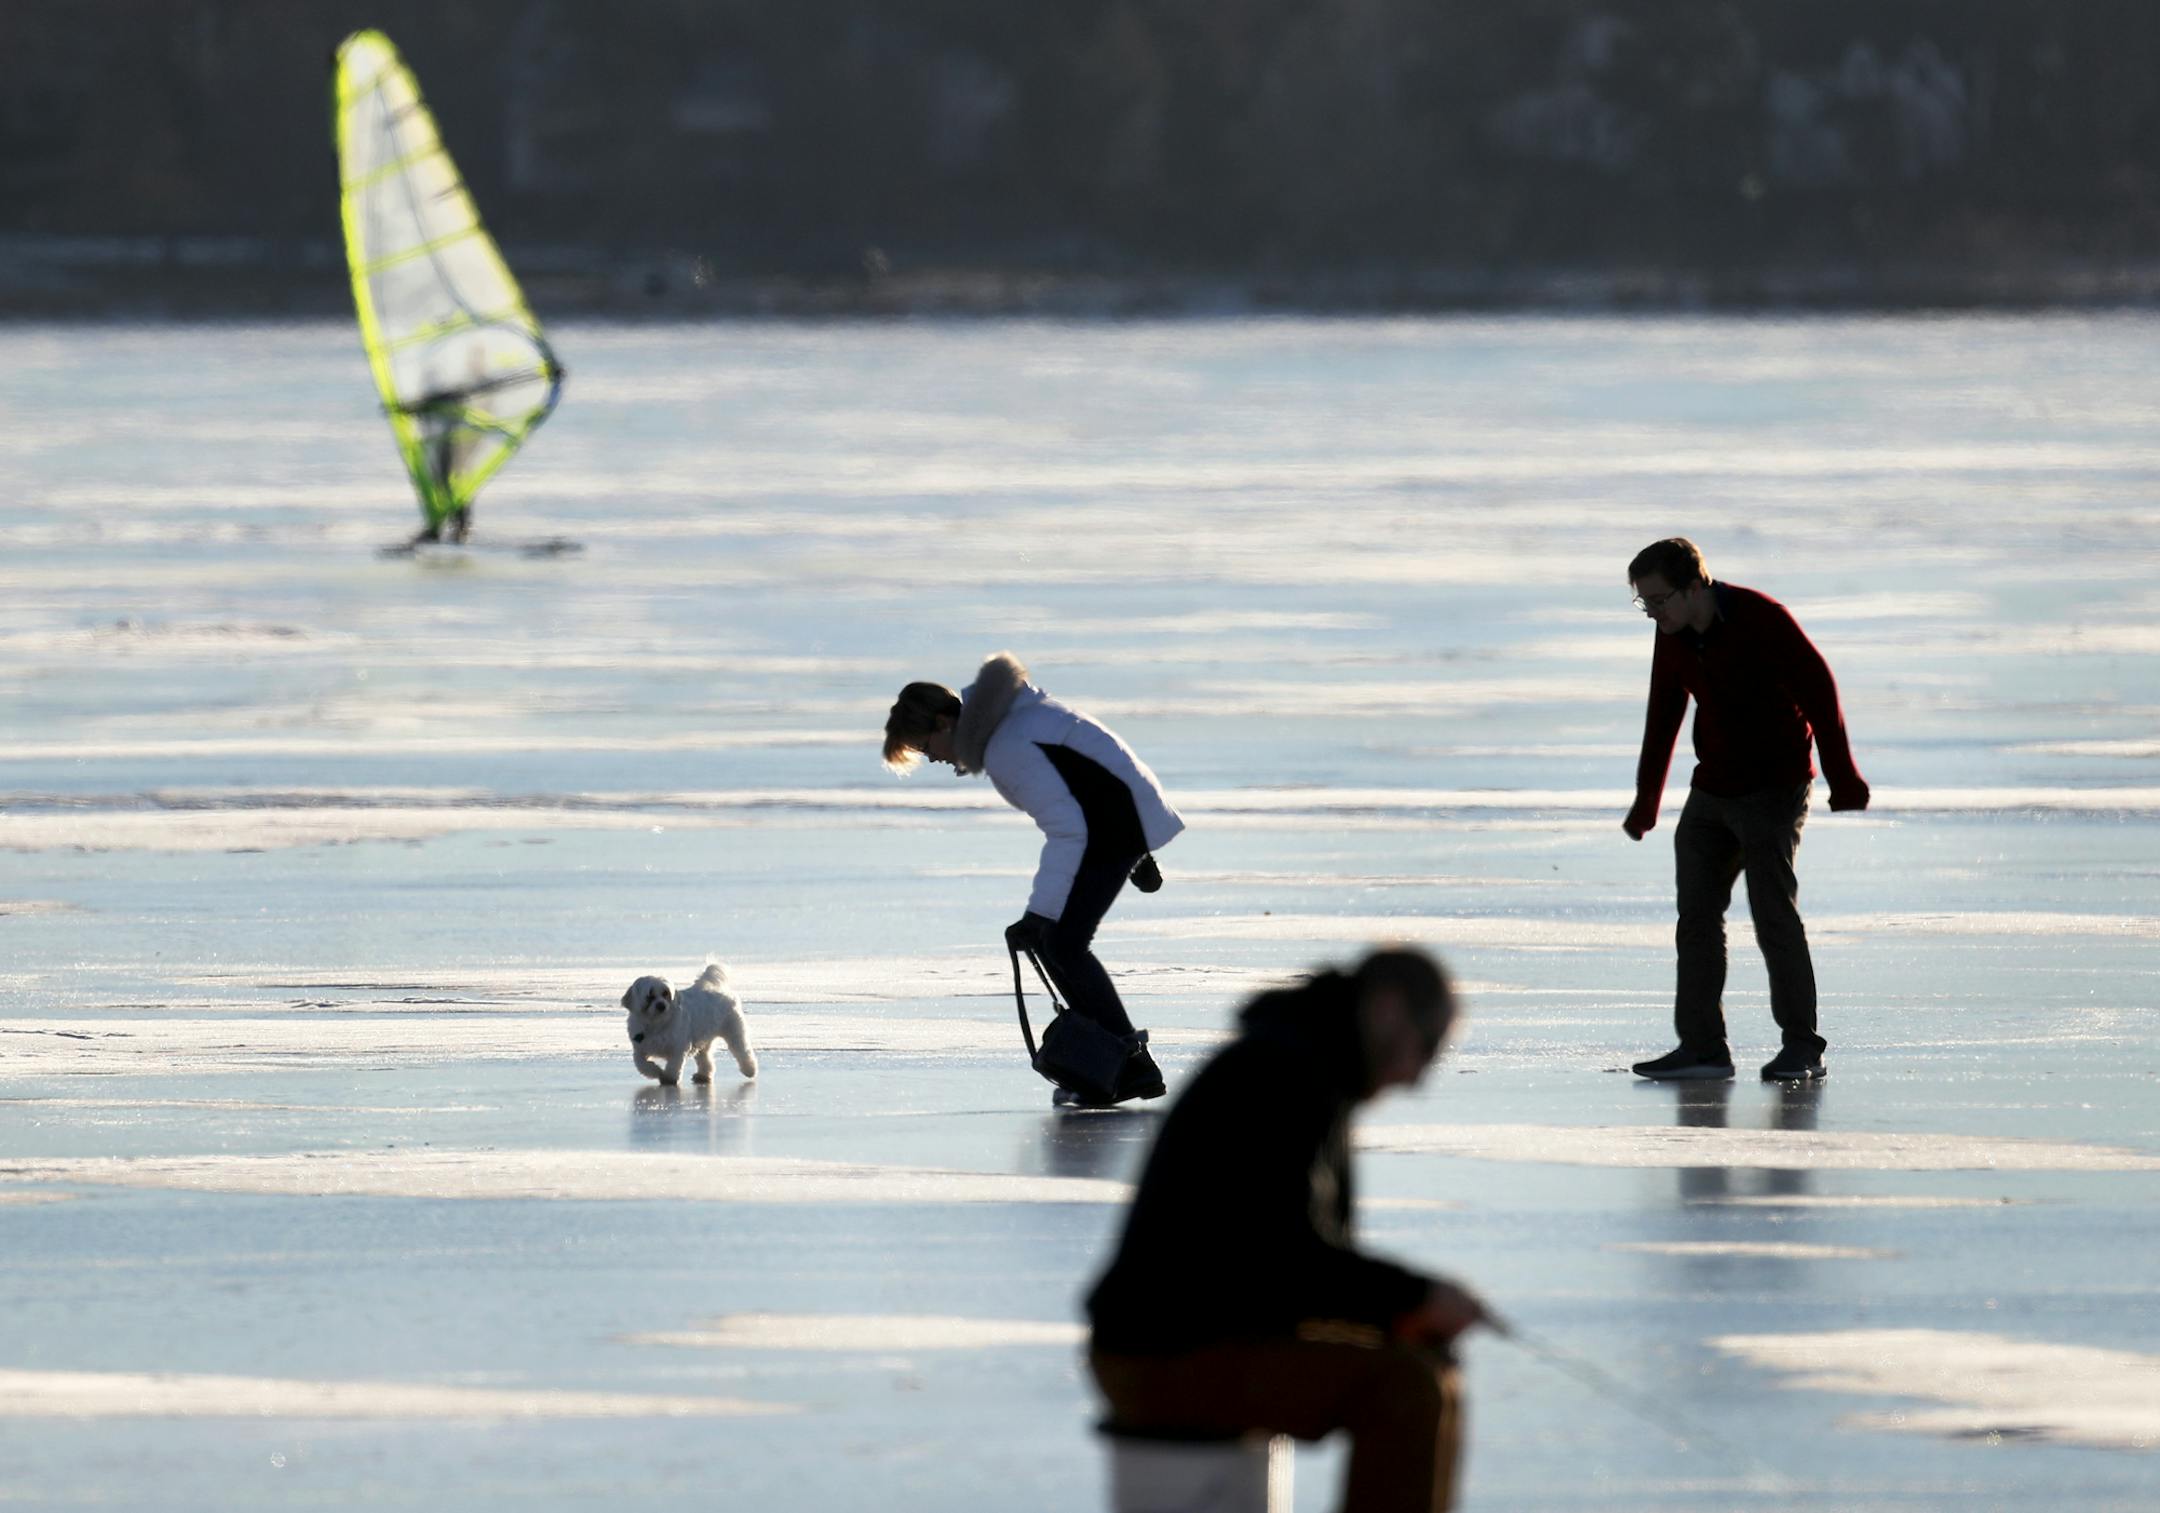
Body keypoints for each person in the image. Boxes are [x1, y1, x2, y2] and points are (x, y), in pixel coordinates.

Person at [1086, 948, 1490, 1513]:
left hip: (1202, 1330)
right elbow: (1287, 1259)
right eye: (1427, 1048)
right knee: (1404, 1390)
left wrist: (1405, 1315)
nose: (1419, 1077)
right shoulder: (1284, 1077)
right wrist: (1416, 1296)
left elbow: (1290, 1263)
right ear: (1388, 1010)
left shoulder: (1309, 1068)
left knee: (1424, 1363)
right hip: (1159, 1351)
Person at [882, 652, 1182, 1105]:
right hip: (1116, 820)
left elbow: (1068, 828)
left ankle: (1130, 1063)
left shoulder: (1007, 747)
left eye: (925, 748)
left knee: (1062, 943)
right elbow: (1090, 773)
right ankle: (1107, 1060)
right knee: (1054, 941)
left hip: (1111, 828)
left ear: (944, 723)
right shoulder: (1013, 722)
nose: (933, 759)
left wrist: (1038, 913)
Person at [1622, 537, 1869, 1084]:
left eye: (1658, 600)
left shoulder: (1762, 620)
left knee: (1773, 915)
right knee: (1697, 919)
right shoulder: (1675, 635)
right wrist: (1647, 802)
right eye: (1645, 604)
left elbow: (1818, 690)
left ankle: (1803, 1046)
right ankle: (1703, 1048)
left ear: (1694, 588)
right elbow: (1663, 712)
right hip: (1711, 791)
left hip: (1773, 790)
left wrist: (1842, 775)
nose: (1653, 613)